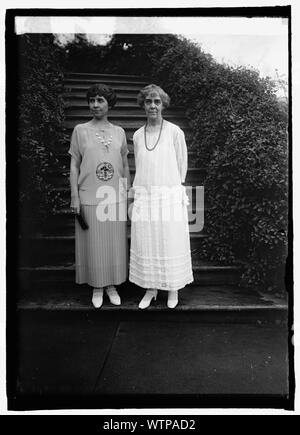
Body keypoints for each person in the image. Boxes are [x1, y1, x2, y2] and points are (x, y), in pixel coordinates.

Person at [129, 84, 193, 309]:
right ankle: (151, 288)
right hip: (146, 195)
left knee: (169, 240)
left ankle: (172, 288)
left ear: (163, 104)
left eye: (157, 102)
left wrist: (172, 189)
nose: (153, 106)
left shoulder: (175, 131)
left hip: (168, 194)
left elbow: (181, 164)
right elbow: (140, 166)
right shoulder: (137, 135)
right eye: (148, 102)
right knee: (147, 241)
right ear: (143, 105)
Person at [69, 83, 131, 308]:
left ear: (109, 103)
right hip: (88, 196)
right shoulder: (80, 130)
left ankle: (112, 285)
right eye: (92, 100)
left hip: (114, 198)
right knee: (93, 245)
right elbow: (74, 165)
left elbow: (124, 165)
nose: (95, 104)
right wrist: (74, 196)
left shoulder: (119, 132)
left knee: (114, 244)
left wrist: (127, 194)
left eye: (100, 100)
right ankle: (97, 287)